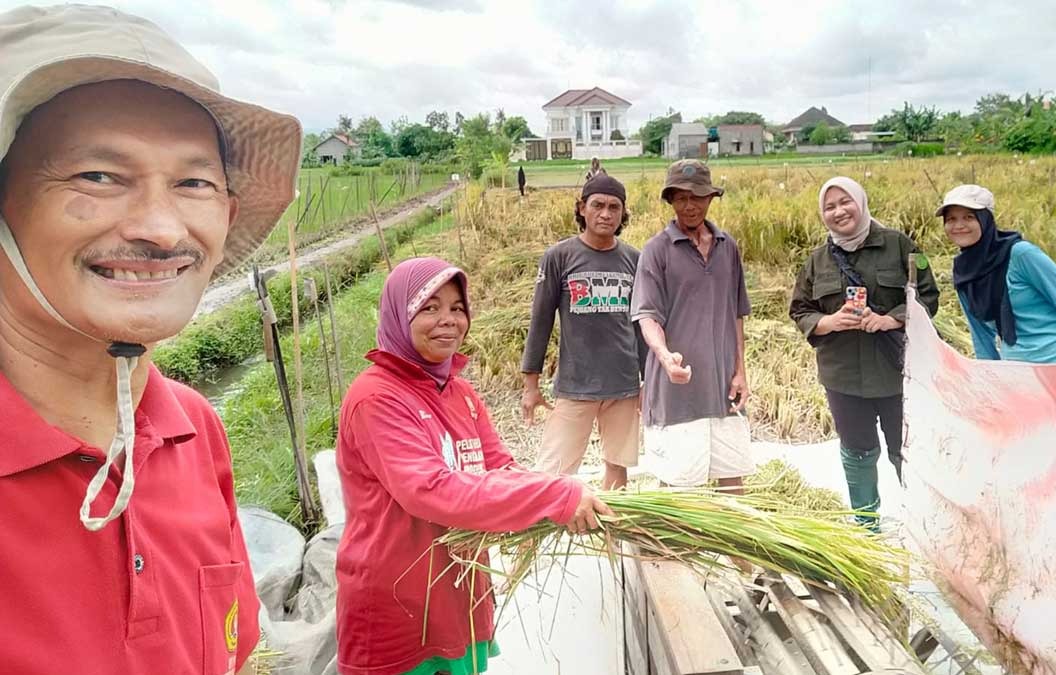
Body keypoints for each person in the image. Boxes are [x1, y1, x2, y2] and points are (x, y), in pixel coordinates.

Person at [0, 5, 302, 673]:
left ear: (225, 214)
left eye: (192, 182)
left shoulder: (194, 429)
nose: (162, 229)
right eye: (98, 176)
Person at [335, 257, 612, 675]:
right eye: (429, 308)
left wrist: (560, 493)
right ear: (398, 313)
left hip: (459, 594)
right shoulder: (377, 398)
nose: (448, 320)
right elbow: (430, 489)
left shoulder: (459, 392)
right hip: (399, 607)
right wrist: (551, 496)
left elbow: (497, 465)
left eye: (456, 307)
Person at [789, 177, 939, 529]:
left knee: (908, 451)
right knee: (857, 450)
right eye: (829, 206)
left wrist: (890, 319)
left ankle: (924, 524)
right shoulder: (817, 260)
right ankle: (866, 522)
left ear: (861, 201)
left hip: (896, 373)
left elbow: (928, 297)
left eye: (845, 202)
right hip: (842, 377)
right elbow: (800, 310)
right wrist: (829, 322)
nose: (839, 211)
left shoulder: (900, 246)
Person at [631, 159, 754, 490]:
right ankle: (668, 546)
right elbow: (647, 315)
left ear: (711, 198)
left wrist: (740, 371)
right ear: (670, 201)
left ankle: (731, 543)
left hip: (723, 387)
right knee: (679, 490)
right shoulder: (657, 251)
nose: (690, 205)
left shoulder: (728, 247)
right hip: (677, 391)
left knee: (734, 484)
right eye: (681, 197)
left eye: (697, 196)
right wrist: (664, 355)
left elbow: (736, 314)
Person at [521, 175, 646, 489]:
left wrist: (648, 380)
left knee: (618, 470)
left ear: (623, 213)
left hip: (623, 385)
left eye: (614, 207)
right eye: (598, 205)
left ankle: (612, 538)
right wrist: (530, 385)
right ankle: (530, 536)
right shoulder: (559, 257)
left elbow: (641, 324)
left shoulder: (634, 260)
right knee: (552, 474)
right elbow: (540, 321)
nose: (606, 214)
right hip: (576, 385)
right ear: (582, 209)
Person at [939, 184, 1056, 363]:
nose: (959, 225)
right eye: (951, 219)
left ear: (985, 219)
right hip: (1018, 370)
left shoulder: (1021, 255)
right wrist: (990, 378)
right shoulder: (964, 272)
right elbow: (980, 334)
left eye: (969, 217)